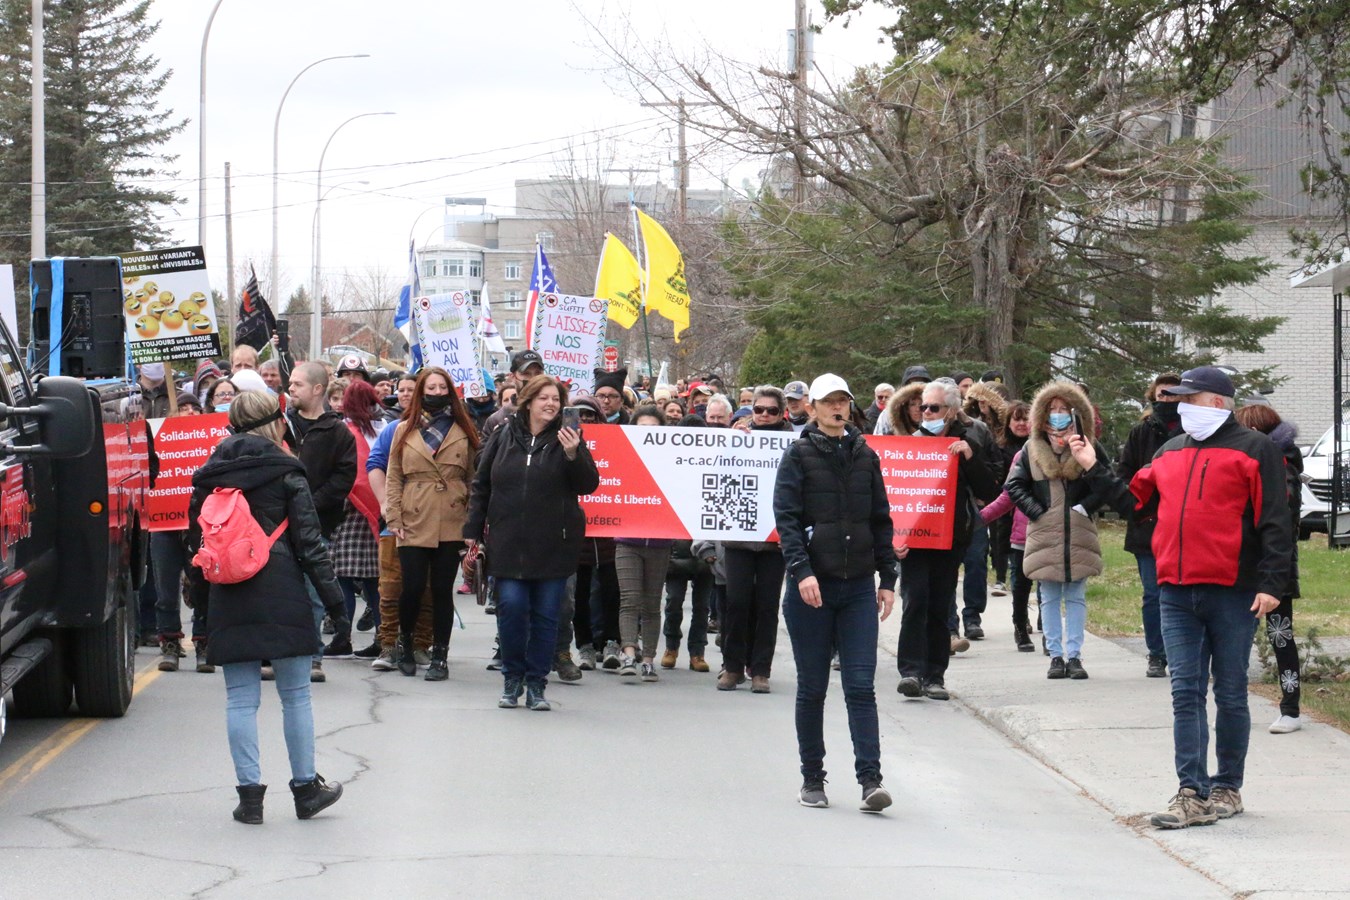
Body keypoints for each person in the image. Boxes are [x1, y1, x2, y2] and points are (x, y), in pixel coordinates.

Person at [1131, 367, 1292, 829]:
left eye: (1189, 398)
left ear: (1218, 403)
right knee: (1185, 691)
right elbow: (1133, 500)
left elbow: (1276, 522)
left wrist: (1271, 584)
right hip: (1176, 589)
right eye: (1176, 399)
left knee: (1231, 691)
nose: (1178, 406)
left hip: (1234, 590)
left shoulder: (1255, 449)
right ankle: (1191, 792)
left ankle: (1228, 785)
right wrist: (1091, 468)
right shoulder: (1171, 448)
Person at [187, 390, 345, 825]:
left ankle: (250, 797)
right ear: (276, 423)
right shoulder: (288, 472)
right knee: (295, 696)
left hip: (228, 594)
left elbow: (195, 547)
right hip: (283, 591)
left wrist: (201, 609)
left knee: (240, 699)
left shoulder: (208, 478)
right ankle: (305, 790)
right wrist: (335, 602)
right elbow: (310, 546)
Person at [774, 373, 898, 812]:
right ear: (812, 407)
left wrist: (888, 579)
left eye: (843, 401)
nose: (836, 408)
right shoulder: (798, 455)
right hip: (812, 589)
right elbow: (786, 520)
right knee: (813, 687)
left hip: (859, 586)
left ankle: (871, 781)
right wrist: (801, 571)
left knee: (861, 686)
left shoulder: (866, 455)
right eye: (828, 402)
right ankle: (813, 778)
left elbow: (880, 520)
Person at [465, 375, 600, 711]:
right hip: (508, 543)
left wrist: (574, 454)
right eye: (543, 398)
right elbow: (482, 484)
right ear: (527, 400)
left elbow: (588, 485)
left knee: (545, 617)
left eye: (555, 399)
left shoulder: (569, 438)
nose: (550, 404)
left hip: (554, 544)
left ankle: (537, 685)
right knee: (511, 610)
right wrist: (472, 529)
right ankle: (513, 679)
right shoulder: (502, 435)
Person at [1005, 382, 1131, 680]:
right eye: (1053, 410)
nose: (1058, 416)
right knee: (1048, 595)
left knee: (1075, 595)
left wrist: (1084, 507)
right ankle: (1055, 656)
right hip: (1045, 532)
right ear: (1043, 415)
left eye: (1064, 410)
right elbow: (1014, 485)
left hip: (1079, 531)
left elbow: (1106, 482)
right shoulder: (1031, 448)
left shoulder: (1088, 445)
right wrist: (1038, 511)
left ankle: (1075, 655)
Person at [895, 380, 1000, 699]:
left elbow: (989, 491)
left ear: (952, 411)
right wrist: (894, 535)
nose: (926, 413)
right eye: (923, 407)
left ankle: (935, 675)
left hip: (951, 537)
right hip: (914, 539)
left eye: (934, 408)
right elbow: (896, 490)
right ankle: (911, 671)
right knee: (915, 601)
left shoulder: (968, 441)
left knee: (941, 605)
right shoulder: (909, 443)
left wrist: (969, 457)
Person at [385, 366, 479, 681]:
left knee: (441, 589)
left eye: (442, 388)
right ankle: (406, 643)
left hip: (451, 516)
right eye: (431, 388)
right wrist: (393, 515)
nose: (437, 393)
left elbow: (473, 479)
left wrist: (472, 522)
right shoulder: (403, 428)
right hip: (413, 514)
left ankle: (440, 655)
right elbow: (394, 475)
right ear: (421, 391)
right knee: (411, 587)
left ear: (450, 391)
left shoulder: (464, 429)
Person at [1233, 402, 1304, 734]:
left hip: (1273, 567)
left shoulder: (1281, 465)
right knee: (1235, 634)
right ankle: (1232, 703)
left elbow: (1281, 516)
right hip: (1241, 562)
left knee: (1280, 634)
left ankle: (1291, 708)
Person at [718, 386, 794, 693]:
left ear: (782, 413)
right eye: (758, 410)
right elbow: (716, 474)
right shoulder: (737, 437)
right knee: (735, 603)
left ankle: (760, 669)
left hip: (775, 540)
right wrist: (730, 442)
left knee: (766, 605)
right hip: (739, 536)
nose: (763, 415)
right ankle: (732, 666)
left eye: (771, 410)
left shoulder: (794, 444)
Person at [285, 362, 357, 683]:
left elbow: (343, 478)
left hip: (317, 526)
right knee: (281, 592)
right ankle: (281, 654)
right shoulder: (280, 426)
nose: (291, 389)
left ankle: (313, 656)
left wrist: (307, 506)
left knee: (314, 593)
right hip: (276, 525)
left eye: (297, 384)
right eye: (290, 383)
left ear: (317, 389)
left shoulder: (337, 432)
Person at [365, 374, 436, 669]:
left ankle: (421, 644)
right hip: (396, 523)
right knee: (392, 588)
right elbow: (375, 466)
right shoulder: (395, 429)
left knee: (429, 589)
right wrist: (385, 504)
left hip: (434, 523)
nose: (409, 395)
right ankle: (389, 645)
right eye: (403, 391)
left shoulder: (450, 430)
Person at [1116, 373, 1183, 678]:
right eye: (1162, 394)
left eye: (1172, 394)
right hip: (1149, 523)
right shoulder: (1140, 432)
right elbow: (1125, 475)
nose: (1166, 399)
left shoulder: (1191, 431)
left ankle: (1181, 650)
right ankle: (1156, 653)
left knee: (1182, 593)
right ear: (1153, 396)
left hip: (1184, 523)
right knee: (1153, 593)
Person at [323, 379, 384, 660]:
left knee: (343, 580)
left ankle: (342, 637)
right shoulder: (384, 428)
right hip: (376, 512)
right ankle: (384, 637)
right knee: (373, 582)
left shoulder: (343, 431)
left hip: (349, 514)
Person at [614, 406, 675, 682]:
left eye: (653, 431)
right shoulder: (623, 459)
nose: (647, 436)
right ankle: (629, 653)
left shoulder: (673, 462)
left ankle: (648, 659)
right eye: (641, 430)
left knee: (651, 604)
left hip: (660, 543)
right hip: (627, 541)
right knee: (629, 599)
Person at [154, 392, 211, 673]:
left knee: (201, 584)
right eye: (182, 408)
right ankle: (170, 642)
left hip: (200, 525)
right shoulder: (157, 440)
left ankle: (203, 641)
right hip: (164, 525)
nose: (189, 412)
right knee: (165, 589)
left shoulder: (213, 441)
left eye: (194, 407)